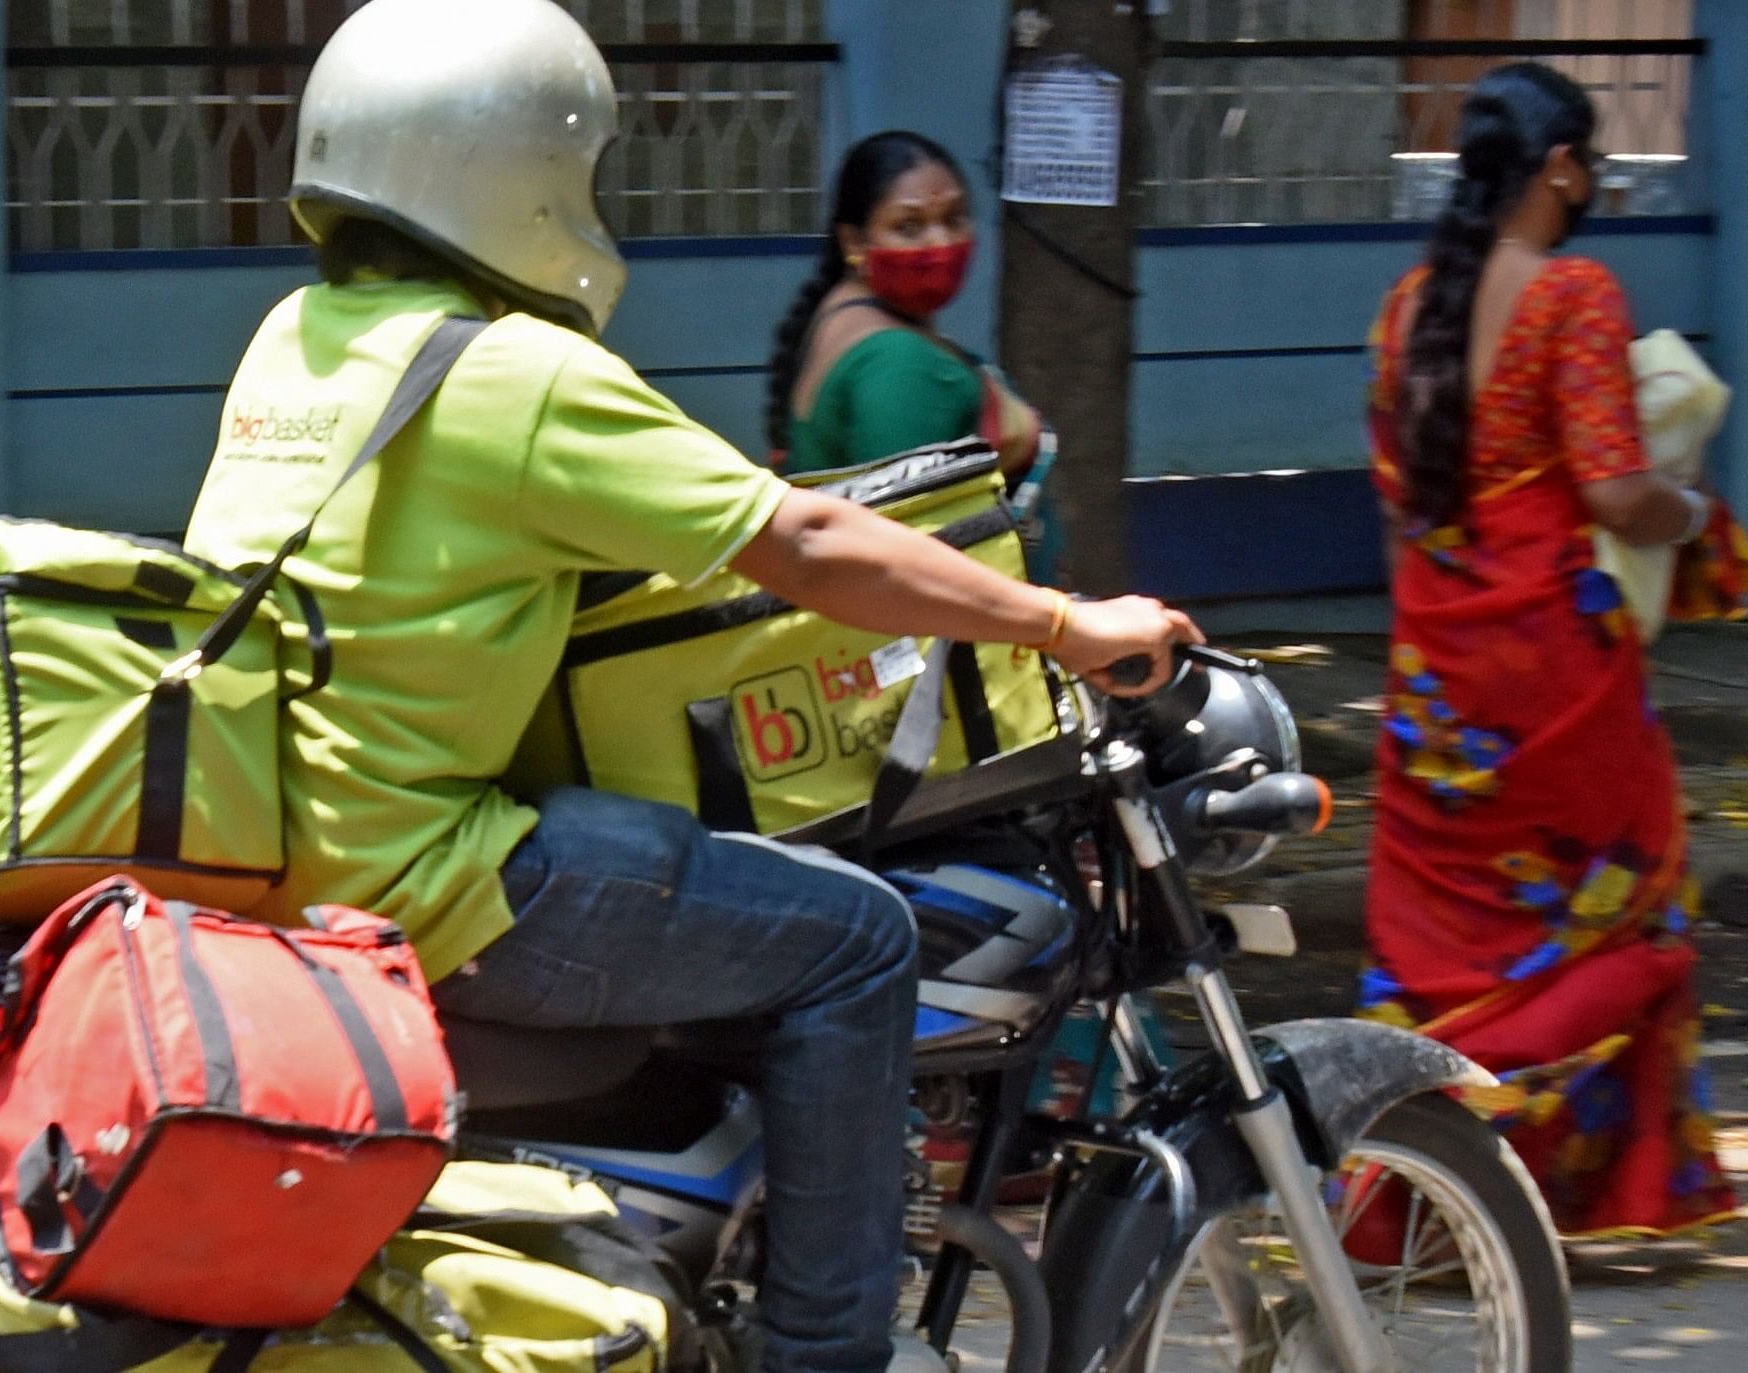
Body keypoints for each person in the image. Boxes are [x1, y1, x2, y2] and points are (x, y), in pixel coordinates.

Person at [180, 2, 1198, 1367]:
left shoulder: (294, 340)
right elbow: (806, 539)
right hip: (433, 873)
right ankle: (827, 1346)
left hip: (270, 854)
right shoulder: (516, 374)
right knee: (857, 938)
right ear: (516, 174)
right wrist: (1062, 621)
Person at [1356, 62, 1748, 1239]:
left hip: (1434, 685)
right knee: (1622, 917)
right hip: (1556, 679)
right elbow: (1616, 488)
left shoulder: (1402, 308)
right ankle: (1579, 1190)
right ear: (1557, 168)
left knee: (1440, 956)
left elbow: (1399, 514)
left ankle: (1413, 1199)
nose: (1593, 183)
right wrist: (1690, 512)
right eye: (1588, 160)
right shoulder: (1573, 296)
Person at [766, 133, 1061, 574]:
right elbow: (913, 553)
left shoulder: (844, 315)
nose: (939, 243)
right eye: (909, 226)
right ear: (855, 242)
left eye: (955, 217)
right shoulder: (898, 362)